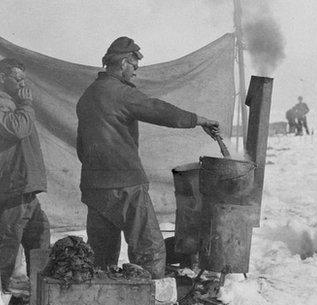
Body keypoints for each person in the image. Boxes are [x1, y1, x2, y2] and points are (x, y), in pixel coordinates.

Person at [76, 37, 221, 279]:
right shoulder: (119, 93)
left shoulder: (88, 96)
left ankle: (104, 304)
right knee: (149, 247)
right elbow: (159, 110)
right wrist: (199, 120)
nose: (136, 70)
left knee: (101, 255)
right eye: (133, 65)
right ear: (122, 63)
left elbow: (82, 146)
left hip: (94, 186)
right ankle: (152, 302)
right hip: (125, 185)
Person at [0, 57, 50, 292]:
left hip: (25, 186)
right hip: (12, 185)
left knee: (40, 236)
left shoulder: (13, 101)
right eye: (17, 78)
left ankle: (42, 294)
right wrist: (26, 106)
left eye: (24, 78)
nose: (23, 83)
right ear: (2, 78)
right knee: (7, 242)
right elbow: (17, 129)